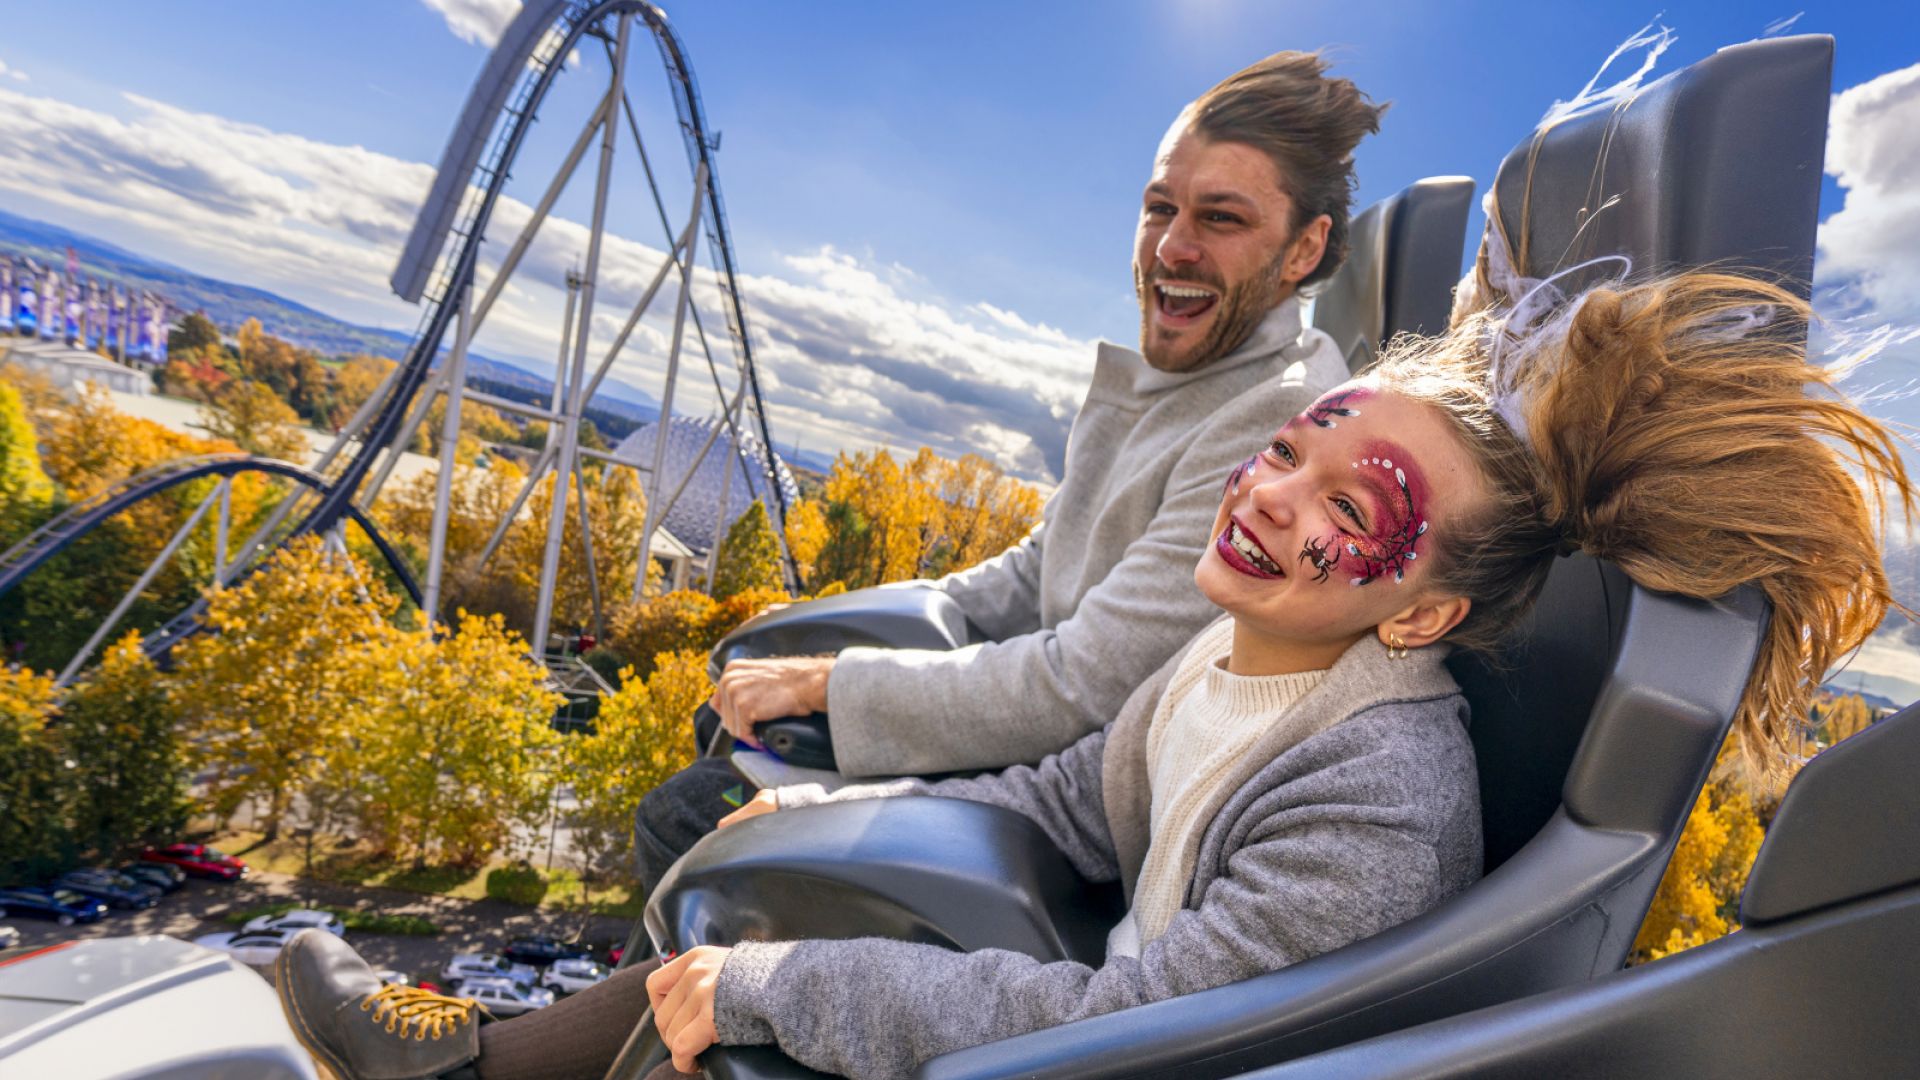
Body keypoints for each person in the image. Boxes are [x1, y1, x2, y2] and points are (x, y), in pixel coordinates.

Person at [275, 269, 1914, 1080]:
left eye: (1360, 513)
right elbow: (1074, 790)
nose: (1275, 495)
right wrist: (855, 796)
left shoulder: (1375, 792)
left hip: (1123, 1052)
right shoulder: (1236, 650)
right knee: (733, 938)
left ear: (1419, 614)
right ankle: (461, 1058)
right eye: (1293, 452)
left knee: (746, 1003)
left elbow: (1126, 1029)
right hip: (1111, 992)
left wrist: (790, 985)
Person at [630, 51, 1383, 893]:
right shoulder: (1184, 378)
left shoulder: (1277, 422)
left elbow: (1086, 680)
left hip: (1080, 803)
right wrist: (826, 631)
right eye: (1159, 207)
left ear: (1302, 249)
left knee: (696, 819)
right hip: (1048, 739)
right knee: (728, 706)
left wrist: (834, 685)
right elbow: (1034, 572)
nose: (1173, 246)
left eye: (1222, 219)